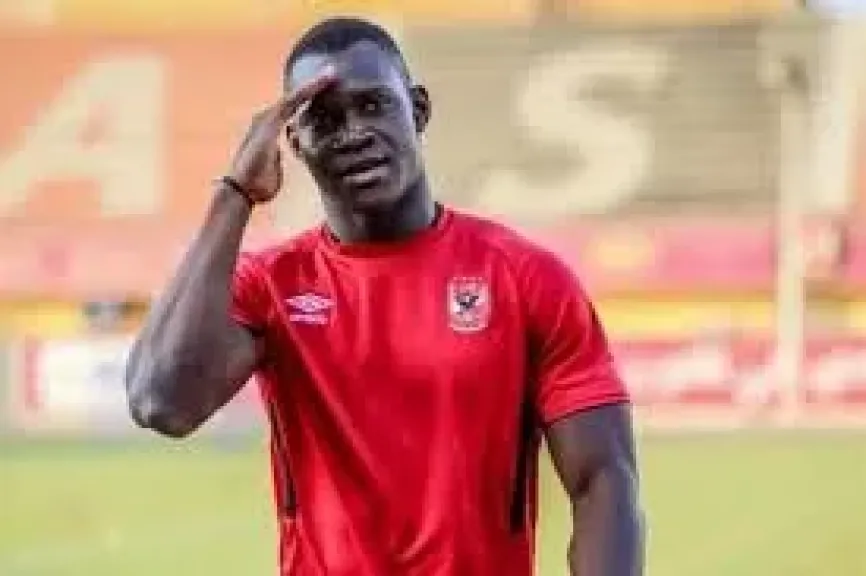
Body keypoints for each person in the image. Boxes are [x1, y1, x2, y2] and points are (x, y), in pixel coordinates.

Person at [125, 16, 644, 576]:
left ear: (418, 110)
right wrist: (235, 194)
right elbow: (161, 401)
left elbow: (603, 481)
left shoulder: (527, 278)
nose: (354, 133)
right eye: (324, 120)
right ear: (295, 144)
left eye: (373, 106)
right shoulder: (270, 286)